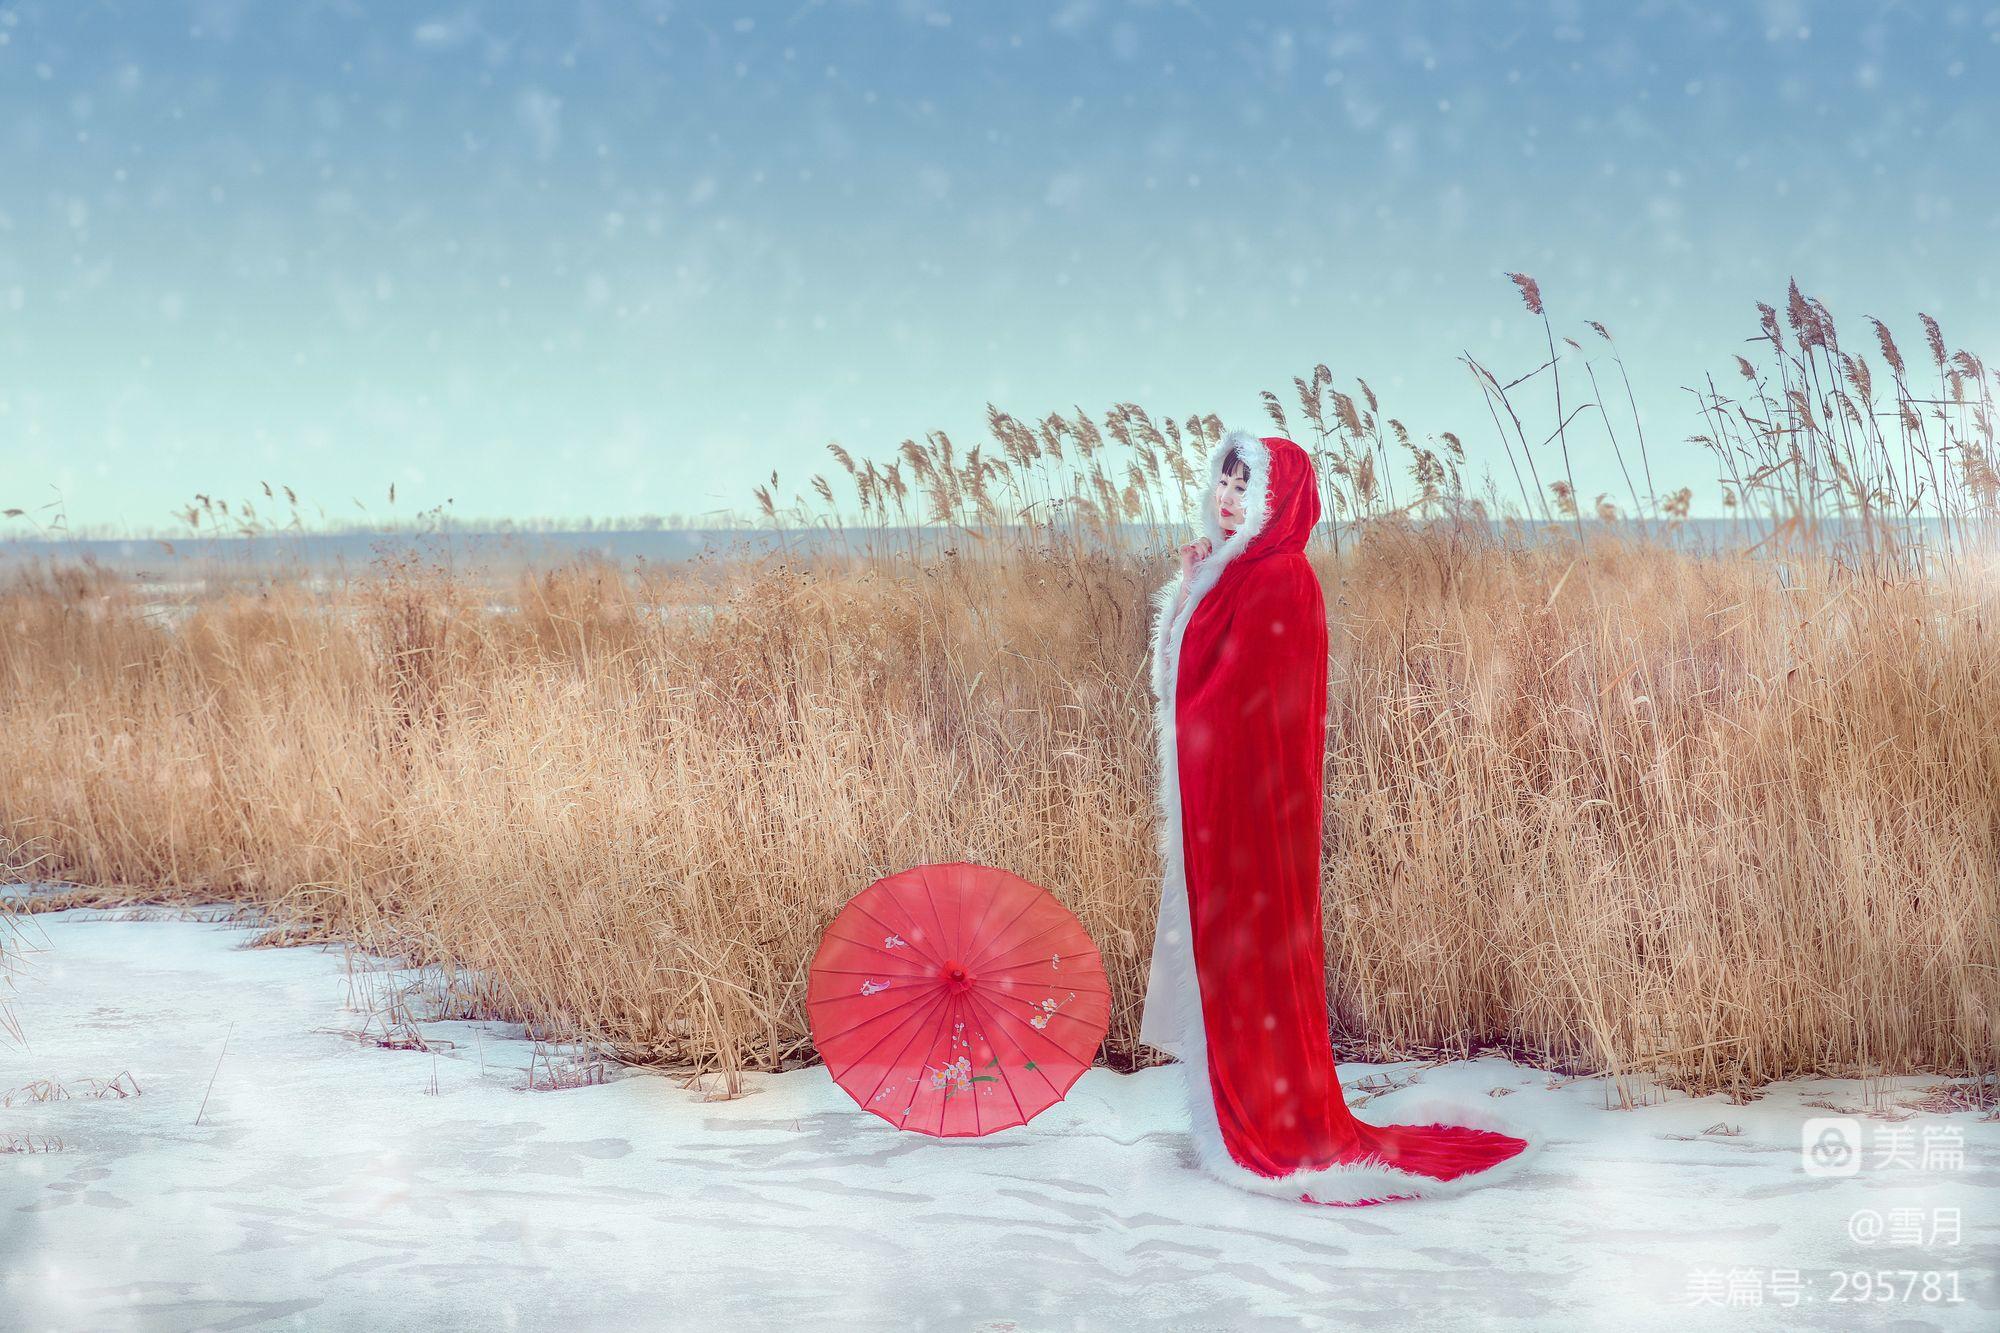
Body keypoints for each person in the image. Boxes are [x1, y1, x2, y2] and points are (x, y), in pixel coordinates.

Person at [1138, 427, 1537, 1206]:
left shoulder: (1281, 580)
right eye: (1221, 483)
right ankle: (1233, 1108)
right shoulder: (1235, 574)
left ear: (1274, 502)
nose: (1226, 499)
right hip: (1227, 813)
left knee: (1255, 958)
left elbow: (1241, 704)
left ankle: (1268, 1116)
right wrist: (1189, 594)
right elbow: (1176, 688)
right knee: (1231, 958)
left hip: (1256, 819)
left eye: (1242, 488)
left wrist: (1201, 600)